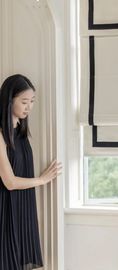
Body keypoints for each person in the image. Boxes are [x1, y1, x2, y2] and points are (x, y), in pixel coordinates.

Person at [0, 74, 62, 270]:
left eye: (32, 101)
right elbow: (9, 182)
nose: (29, 107)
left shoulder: (21, 133)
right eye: (24, 101)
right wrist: (42, 179)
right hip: (6, 207)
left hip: (23, 206)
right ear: (9, 101)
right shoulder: (1, 135)